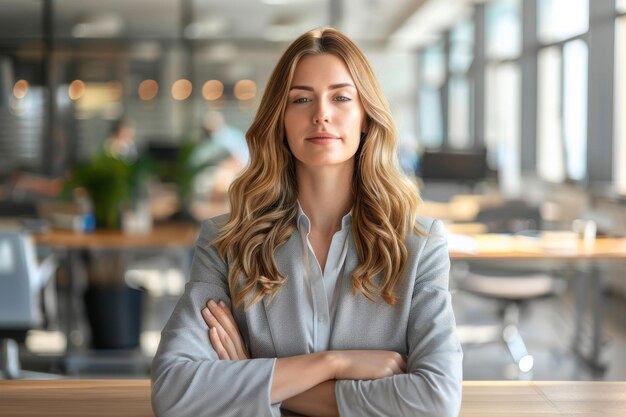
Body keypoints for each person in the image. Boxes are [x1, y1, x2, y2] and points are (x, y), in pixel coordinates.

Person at [151, 27, 462, 417]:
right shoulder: (225, 242)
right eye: (301, 99)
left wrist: (248, 375)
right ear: (280, 118)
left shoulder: (420, 245)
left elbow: (435, 401)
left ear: (366, 116)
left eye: (341, 97)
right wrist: (334, 364)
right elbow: (174, 393)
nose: (321, 114)